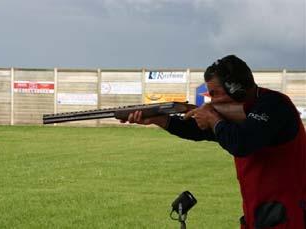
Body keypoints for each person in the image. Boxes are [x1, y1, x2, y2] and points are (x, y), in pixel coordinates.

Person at [119, 55, 306, 228]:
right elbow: (197, 131)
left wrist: (213, 118)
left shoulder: (275, 104)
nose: (211, 101)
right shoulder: (240, 114)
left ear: (237, 88)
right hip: (260, 215)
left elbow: (241, 144)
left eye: (215, 93)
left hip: (289, 216)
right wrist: (158, 119)